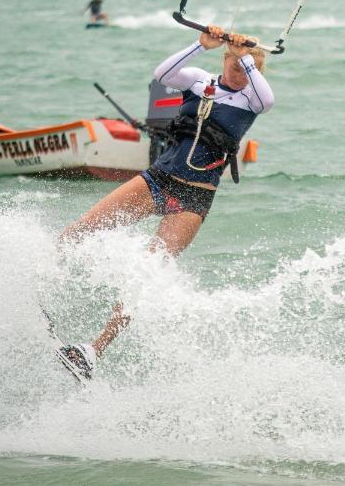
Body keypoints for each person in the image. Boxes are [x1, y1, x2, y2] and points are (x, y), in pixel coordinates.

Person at [56, 25, 275, 380]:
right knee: (84, 228)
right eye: (234, 66)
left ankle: (92, 353)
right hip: (158, 180)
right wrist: (200, 45)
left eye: (248, 69)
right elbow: (162, 75)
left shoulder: (251, 98)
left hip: (194, 200)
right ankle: (39, 274)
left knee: (146, 277)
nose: (240, 74)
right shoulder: (199, 80)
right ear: (224, 61)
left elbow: (268, 100)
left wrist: (246, 57)